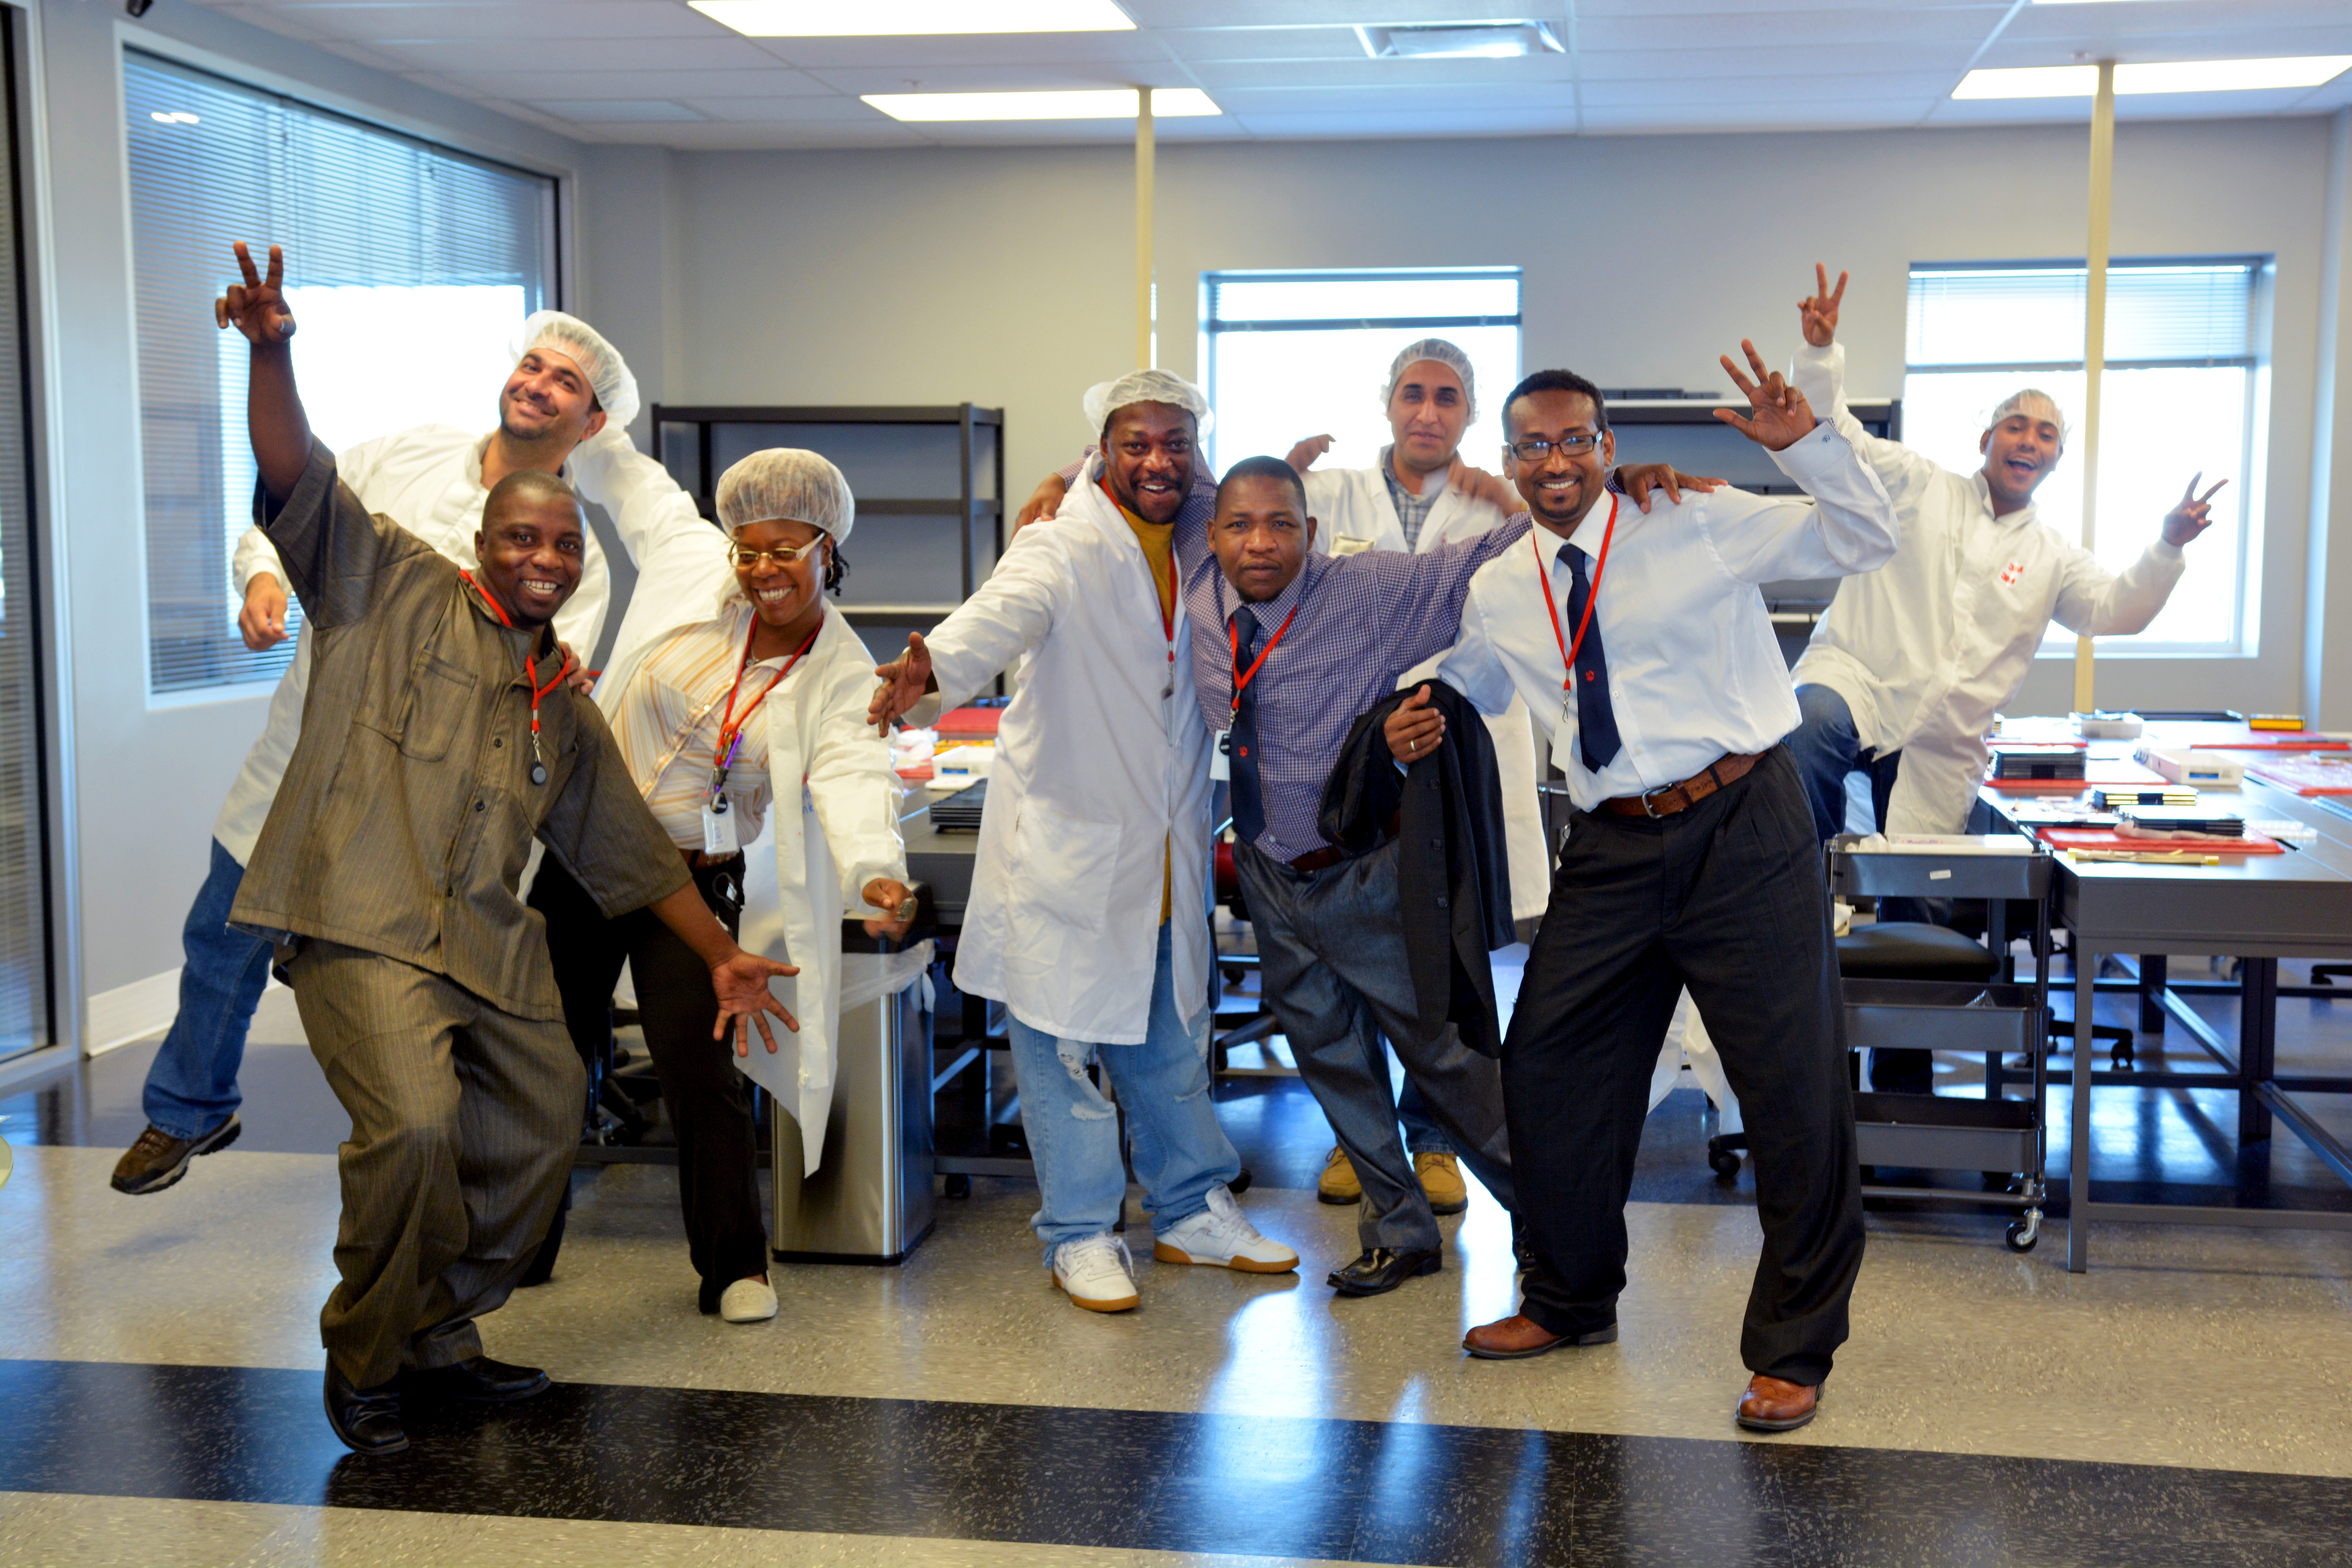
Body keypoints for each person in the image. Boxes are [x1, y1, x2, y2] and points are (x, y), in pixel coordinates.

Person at [214, 243, 796, 1456]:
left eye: (565, 550)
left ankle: (442, 1329)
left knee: (537, 1122)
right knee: (417, 1129)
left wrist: (720, 958)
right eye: (523, 540)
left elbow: (627, 851)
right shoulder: (384, 586)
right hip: (358, 927)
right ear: (486, 537)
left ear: (583, 570)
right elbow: (293, 472)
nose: (543, 558)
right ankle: (369, 1355)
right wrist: (273, 352)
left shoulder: (558, 692)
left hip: (483, 938)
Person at [1421, 350, 1897, 1434]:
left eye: (1576, 441)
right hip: (1614, 842)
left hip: (1746, 823)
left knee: (1791, 1087)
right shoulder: (1501, 586)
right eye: (1534, 444)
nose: (1556, 461)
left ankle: (1794, 1349)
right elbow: (1479, 677)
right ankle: (1569, 1297)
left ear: (1609, 449)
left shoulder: (1698, 519)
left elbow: (1869, 540)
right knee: (1546, 1063)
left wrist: (1804, 445)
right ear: (1511, 459)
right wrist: (1420, 705)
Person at [112, 292, 655, 1196]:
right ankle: (189, 1106)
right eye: (534, 365)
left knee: (405, 999)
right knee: (222, 936)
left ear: (591, 422)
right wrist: (261, 579)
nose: (539, 384)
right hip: (305, 755)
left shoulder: (576, 555)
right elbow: (288, 503)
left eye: (567, 383)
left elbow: (548, 680)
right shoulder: (406, 452)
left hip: (420, 810)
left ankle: (429, 1157)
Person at [869, 370, 1297, 1314]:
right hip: (1066, 846)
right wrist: (932, 667)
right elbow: (1001, 611)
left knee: (1173, 1038)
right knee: (1061, 1051)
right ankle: (1080, 1232)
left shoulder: (1202, 540)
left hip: (1164, 849)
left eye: (1175, 442)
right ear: (1105, 447)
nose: (1157, 459)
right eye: (1135, 441)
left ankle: (1191, 1211)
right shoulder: (1061, 543)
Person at [1780, 265, 2223, 1093]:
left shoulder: (2054, 554)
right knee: (1803, 727)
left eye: (2046, 434)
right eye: (2015, 426)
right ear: (1985, 440)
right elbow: (1836, 434)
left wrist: (2167, 543)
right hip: (1860, 679)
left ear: (2056, 458)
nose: (2029, 440)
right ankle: (1797, 923)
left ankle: (1901, 1080)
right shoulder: (1920, 485)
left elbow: (2117, 609)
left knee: (1918, 908)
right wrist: (1820, 351)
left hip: (1944, 743)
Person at [535, 447, 915, 1324]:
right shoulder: (699, 592)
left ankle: (736, 1267)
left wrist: (876, 873)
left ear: (830, 548)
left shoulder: (842, 671)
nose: (762, 569)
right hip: (583, 855)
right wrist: (590, 436)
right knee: (547, 1059)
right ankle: (521, 1242)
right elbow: (639, 491)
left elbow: (856, 774)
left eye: (785, 549)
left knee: (701, 1068)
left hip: (687, 881)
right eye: (748, 548)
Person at [1195, 454, 1529, 1297]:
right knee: (1332, 1060)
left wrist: (1603, 487)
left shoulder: (1370, 590)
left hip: (1359, 874)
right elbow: (1138, 463)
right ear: (1212, 536)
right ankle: (1399, 1229)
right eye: (1239, 525)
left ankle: (1558, 1227)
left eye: (1280, 524)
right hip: (1269, 869)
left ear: (1310, 533)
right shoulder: (1198, 597)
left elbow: (1489, 554)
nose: (1259, 543)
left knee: (1448, 1062)